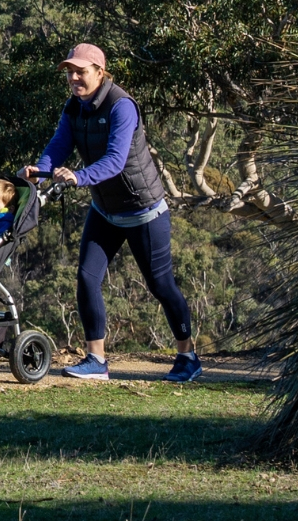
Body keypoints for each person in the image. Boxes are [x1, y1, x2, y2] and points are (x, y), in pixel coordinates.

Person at [25, 43, 200, 383]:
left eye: (81, 72)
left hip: (143, 212)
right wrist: (40, 169)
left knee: (161, 285)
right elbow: (59, 145)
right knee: (86, 278)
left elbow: (116, 160)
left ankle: (187, 356)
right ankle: (96, 360)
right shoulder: (73, 107)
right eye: (69, 72)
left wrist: (78, 176)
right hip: (105, 210)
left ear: (100, 73)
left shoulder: (122, 106)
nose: (74, 78)